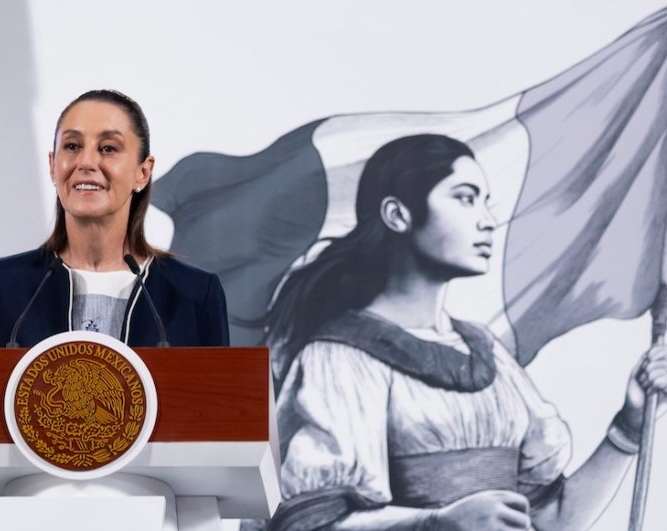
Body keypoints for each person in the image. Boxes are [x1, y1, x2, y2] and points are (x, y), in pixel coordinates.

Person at [249, 134, 667, 530]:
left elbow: (552, 519)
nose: (488, 221)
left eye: (486, 202)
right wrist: (436, 523)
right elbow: (310, 524)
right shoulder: (341, 358)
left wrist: (629, 426)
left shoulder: (488, 355)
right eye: (465, 198)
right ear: (398, 215)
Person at [0, 89, 229, 349]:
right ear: (53, 166)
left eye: (108, 148)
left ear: (143, 172)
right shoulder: (4, 283)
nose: (86, 162)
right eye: (72, 146)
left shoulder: (195, 292)